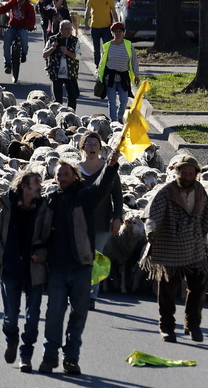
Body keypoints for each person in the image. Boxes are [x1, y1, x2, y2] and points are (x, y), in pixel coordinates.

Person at [36, 150, 120, 376]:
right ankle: (50, 355)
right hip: (57, 267)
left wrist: (111, 165)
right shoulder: (50, 200)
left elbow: (102, 186)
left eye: (65, 174)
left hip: (82, 267)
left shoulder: (85, 197)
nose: (61, 178)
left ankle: (71, 358)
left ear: (74, 176)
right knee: (54, 312)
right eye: (58, 175)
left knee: (78, 314)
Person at [143, 154, 208, 343]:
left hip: (193, 245)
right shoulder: (166, 192)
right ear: (177, 172)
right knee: (168, 289)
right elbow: (153, 214)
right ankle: (167, 327)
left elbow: (206, 215)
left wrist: (204, 239)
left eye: (190, 172)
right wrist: (151, 230)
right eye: (183, 172)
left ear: (195, 174)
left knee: (199, 286)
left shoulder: (200, 190)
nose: (186, 175)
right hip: (171, 245)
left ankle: (192, 324)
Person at [0, 169, 47, 373]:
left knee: (32, 318)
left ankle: (26, 355)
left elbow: (50, 237)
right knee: (11, 316)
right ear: (24, 186)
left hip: (34, 269)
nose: (40, 186)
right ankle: (11, 340)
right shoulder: (7, 206)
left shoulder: (43, 208)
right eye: (36, 183)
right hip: (10, 268)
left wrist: (42, 254)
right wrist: (1, 256)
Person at [76, 132, 123, 309]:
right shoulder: (76, 170)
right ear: (82, 147)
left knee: (95, 259)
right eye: (88, 143)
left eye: (96, 143)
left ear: (101, 148)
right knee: (79, 257)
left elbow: (118, 195)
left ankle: (91, 295)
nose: (92, 146)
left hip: (102, 221)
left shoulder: (109, 170)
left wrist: (117, 217)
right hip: (79, 222)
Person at [98, 22, 140, 122]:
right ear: (112, 33)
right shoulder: (107, 46)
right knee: (112, 101)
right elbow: (102, 63)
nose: (118, 33)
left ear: (123, 32)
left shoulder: (129, 45)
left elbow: (134, 61)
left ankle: (120, 116)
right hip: (110, 77)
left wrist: (136, 75)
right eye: (115, 31)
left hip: (123, 77)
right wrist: (99, 77)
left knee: (124, 100)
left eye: (120, 31)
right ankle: (113, 121)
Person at [0, 0, 36, 75]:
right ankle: (7, 65)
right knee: (6, 43)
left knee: (24, 37)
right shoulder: (13, 3)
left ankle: (24, 53)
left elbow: (32, 19)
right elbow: (4, 8)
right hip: (12, 26)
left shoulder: (29, 7)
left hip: (22, 27)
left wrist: (30, 26)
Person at [42, 19, 80, 110]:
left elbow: (78, 56)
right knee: (57, 100)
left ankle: (71, 115)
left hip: (71, 74)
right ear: (60, 30)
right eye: (66, 29)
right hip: (56, 74)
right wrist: (52, 48)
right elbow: (44, 54)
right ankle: (58, 116)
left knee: (73, 97)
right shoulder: (53, 39)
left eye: (70, 29)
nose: (69, 31)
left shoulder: (75, 40)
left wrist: (66, 52)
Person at [83, 0, 116, 64]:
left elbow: (113, 12)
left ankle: (105, 64)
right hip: (95, 27)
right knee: (96, 49)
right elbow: (87, 12)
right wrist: (86, 23)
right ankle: (97, 65)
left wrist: (116, 24)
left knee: (106, 48)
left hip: (106, 27)